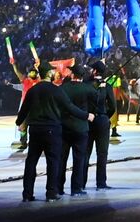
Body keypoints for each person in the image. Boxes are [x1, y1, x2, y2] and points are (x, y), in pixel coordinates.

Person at [15, 67, 90, 202]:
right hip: (52, 130)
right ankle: (51, 193)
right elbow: (69, 107)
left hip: (35, 130)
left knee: (31, 162)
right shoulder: (56, 90)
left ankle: (27, 194)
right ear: (49, 74)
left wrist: (19, 121)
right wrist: (86, 116)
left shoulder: (33, 90)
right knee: (53, 162)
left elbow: (24, 109)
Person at [59, 65, 95, 196]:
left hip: (64, 127)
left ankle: (59, 187)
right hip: (81, 128)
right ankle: (76, 188)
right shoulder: (88, 89)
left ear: (72, 75)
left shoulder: (63, 88)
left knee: (61, 159)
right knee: (79, 159)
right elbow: (95, 103)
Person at [84, 61, 116, 190]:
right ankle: (101, 183)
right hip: (102, 121)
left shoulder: (86, 84)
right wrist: (104, 117)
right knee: (102, 154)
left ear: (95, 71)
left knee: (85, 153)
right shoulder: (107, 86)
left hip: (88, 120)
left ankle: (81, 183)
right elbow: (113, 107)